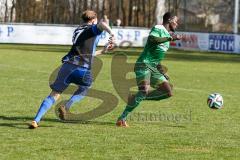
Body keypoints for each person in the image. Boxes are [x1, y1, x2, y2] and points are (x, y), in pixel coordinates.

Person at [29, 10, 115, 129]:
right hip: (83, 69)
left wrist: (103, 51)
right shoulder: (91, 29)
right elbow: (102, 24)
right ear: (93, 20)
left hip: (67, 66)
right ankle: (66, 106)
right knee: (85, 87)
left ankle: (36, 120)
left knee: (54, 94)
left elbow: (87, 51)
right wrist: (112, 34)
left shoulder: (78, 30)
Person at [116, 12, 182, 127]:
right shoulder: (159, 28)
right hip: (143, 64)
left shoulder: (166, 37)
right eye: (176, 21)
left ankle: (136, 97)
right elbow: (152, 39)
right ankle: (122, 118)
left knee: (168, 91)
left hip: (153, 67)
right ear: (170, 20)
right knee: (144, 90)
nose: (177, 24)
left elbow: (157, 58)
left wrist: (161, 71)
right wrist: (170, 38)